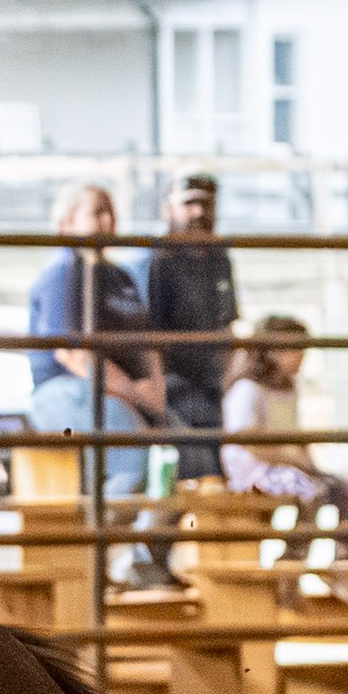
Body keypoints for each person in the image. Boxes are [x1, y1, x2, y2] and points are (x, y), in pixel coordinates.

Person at [26, 183, 174, 590]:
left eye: (110, 210)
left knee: (178, 455)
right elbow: (73, 354)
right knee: (133, 456)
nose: (107, 220)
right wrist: (133, 392)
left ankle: (141, 559)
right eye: (96, 212)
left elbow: (147, 346)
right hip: (68, 391)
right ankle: (95, 559)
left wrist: (154, 388)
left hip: (121, 392)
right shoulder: (66, 273)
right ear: (67, 223)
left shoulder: (119, 276)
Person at [221, 315, 348, 586]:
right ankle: (290, 565)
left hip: (288, 467)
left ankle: (344, 569)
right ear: (271, 351)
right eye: (293, 349)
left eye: (303, 350)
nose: (300, 357)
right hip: (254, 470)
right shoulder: (248, 388)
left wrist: (308, 463)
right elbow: (247, 438)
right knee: (314, 491)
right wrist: (291, 459)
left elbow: (296, 437)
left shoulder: (289, 389)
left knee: (346, 492)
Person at [138, 170, 235, 482]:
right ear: (168, 208)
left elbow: (228, 323)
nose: (200, 213)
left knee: (225, 452)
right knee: (200, 463)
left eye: (207, 204)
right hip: (176, 383)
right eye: (190, 203)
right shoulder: (157, 260)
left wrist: (231, 378)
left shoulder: (219, 256)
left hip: (214, 382)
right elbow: (149, 335)